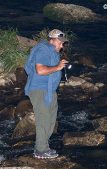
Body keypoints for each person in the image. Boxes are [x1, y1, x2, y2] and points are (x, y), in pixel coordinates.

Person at [24, 29, 68, 159]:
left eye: (63, 43)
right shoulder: (43, 49)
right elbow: (40, 70)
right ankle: (40, 150)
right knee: (43, 118)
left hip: (49, 91)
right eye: (60, 42)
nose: (62, 45)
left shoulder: (53, 52)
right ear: (52, 40)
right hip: (39, 89)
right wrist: (58, 67)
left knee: (50, 120)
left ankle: (44, 146)